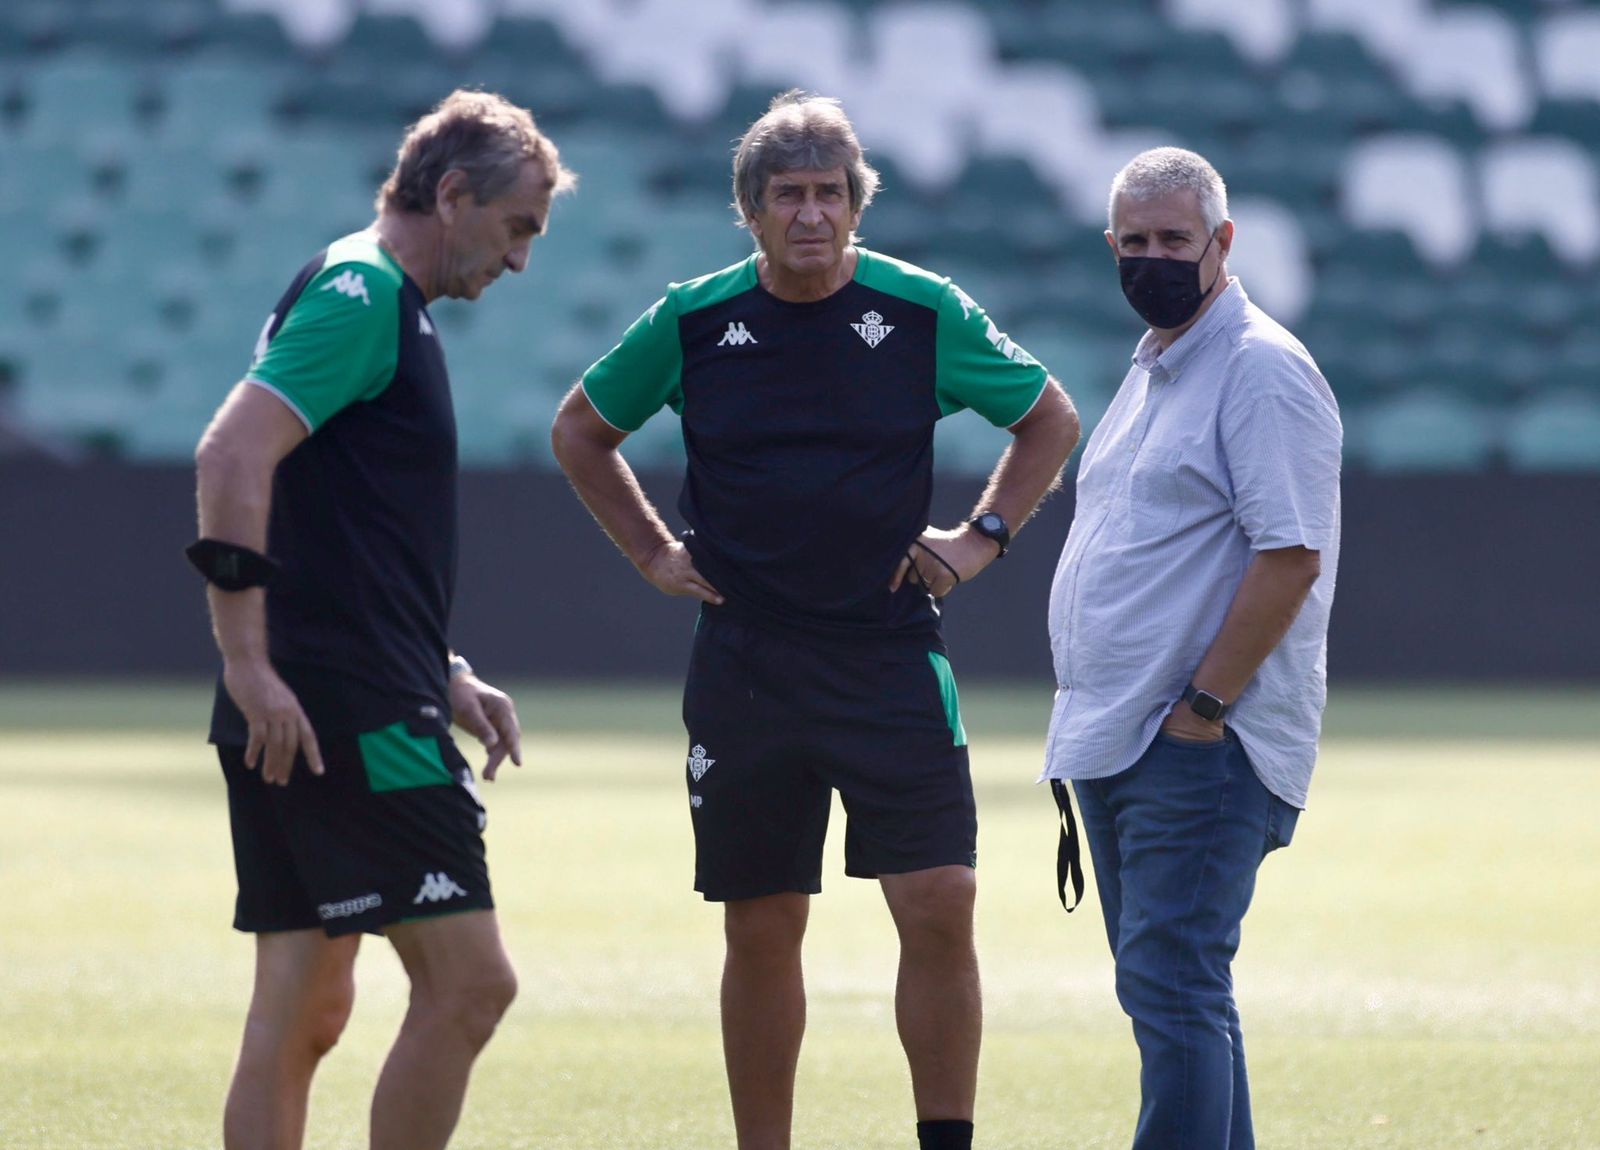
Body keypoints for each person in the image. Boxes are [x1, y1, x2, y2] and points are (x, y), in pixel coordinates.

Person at [550, 90, 1080, 1150]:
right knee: (762, 921)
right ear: (748, 211)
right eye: (785, 195)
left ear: (856, 206)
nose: (809, 214)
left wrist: (979, 538)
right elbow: (580, 431)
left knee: (940, 897)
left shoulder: (921, 310)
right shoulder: (692, 319)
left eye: (828, 194)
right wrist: (654, 551)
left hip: (887, 650)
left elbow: (1049, 418)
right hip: (747, 659)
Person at [187, 90, 574, 1150]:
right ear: (452, 195)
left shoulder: (359, 290)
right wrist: (247, 662)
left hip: (331, 694)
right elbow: (230, 454)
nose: (521, 260)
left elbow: (338, 523)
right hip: (347, 710)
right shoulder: (364, 291)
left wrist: (440, 664)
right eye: (517, 227)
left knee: (302, 1008)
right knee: (471, 985)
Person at [1042, 146, 1342, 1149]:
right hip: (1124, 735)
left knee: (1172, 986)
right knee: (1177, 992)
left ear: (1222, 242)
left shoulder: (1257, 368)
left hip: (1195, 742)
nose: (1150, 258)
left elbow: (1290, 555)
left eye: (1173, 239)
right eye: (1131, 241)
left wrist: (1202, 710)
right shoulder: (1154, 367)